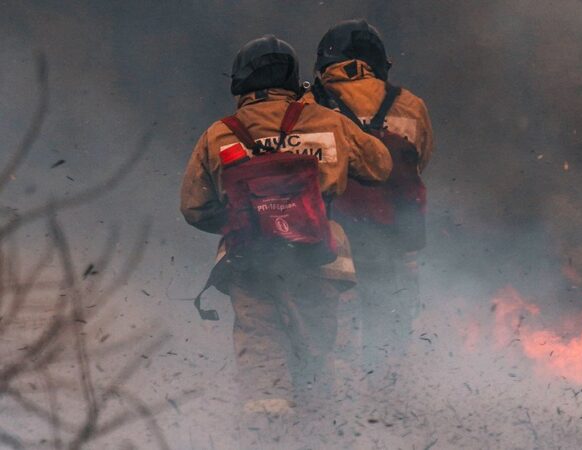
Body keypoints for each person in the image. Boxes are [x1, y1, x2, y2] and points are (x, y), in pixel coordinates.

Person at [180, 35, 392, 446]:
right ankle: (337, 437)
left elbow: (193, 207)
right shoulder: (327, 122)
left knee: (263, 358)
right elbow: (380, 167)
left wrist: (251, 219)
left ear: (239, 81)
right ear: (293, 79)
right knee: (330, 354)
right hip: (323, 258)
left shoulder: (220, 133)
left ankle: (270, 439)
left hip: (250, 263)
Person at [307, 19, 434, 387]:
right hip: (391, 236)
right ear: (378, 61)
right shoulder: (410, 106)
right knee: (389, 332)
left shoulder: (307, 106)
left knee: (333, 334)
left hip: (326, 238)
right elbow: (419, 162)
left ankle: (336, 421)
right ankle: (386, 417)